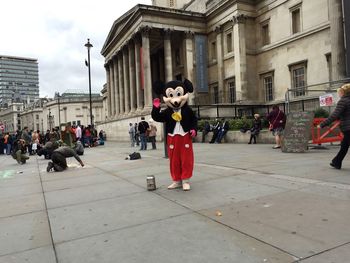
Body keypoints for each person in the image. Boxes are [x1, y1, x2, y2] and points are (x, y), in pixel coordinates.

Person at [319, 84, 350, 169]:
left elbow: (334, 115)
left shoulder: (343, 101)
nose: (338, 94)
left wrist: (322, 124)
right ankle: (336, 162)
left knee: (345, 145)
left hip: (348, 128)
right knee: (344, 145)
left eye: (340, 92)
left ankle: (337, 162)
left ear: (344, 92)